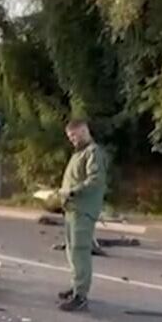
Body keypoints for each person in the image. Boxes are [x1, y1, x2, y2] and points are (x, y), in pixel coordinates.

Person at [55, 119, 108, 312]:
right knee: (72, 251)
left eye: (75, 135)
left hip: (83, 210)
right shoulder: (79, 154)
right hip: (72, 210)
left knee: (80, 251)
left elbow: (95, 179)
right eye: (70, 137)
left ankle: (81, 296)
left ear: (85, 131)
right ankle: (76, 286)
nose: (73, 140)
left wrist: (73, 191)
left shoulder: (93, 152)